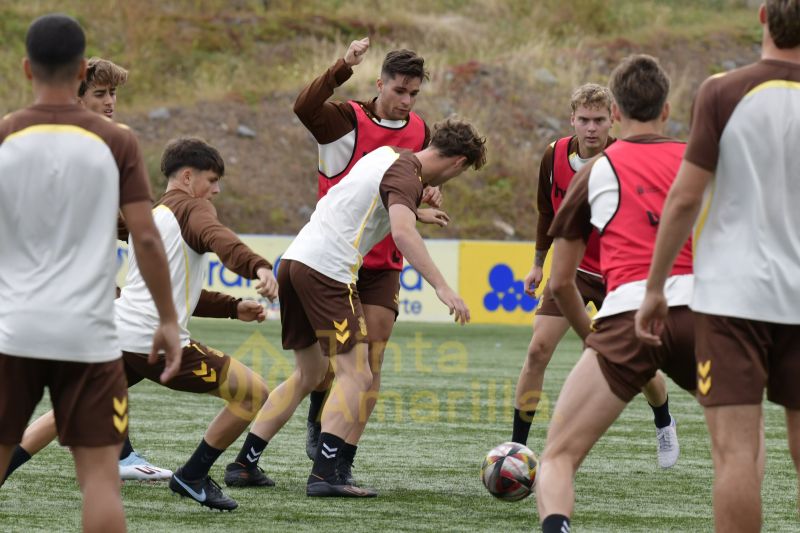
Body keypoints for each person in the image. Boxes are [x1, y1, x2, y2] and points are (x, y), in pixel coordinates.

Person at [4, 138, 281, 511]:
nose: (215, 190)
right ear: (187, 176)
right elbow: (221, 239)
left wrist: (233, 307)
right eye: (212, 180)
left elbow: (168, 288)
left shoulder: (147, 216)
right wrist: (259, 266)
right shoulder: (192, 209)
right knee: (254, 393)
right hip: (156, 344)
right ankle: (193, 476)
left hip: (117, 335)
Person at [226, 36, 441, 488]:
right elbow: (304, 106)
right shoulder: (346, 119)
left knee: (367, 365)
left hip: (381, 262)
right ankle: (320, 437)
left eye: (413, 93)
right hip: (333, 260)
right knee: (335, 370)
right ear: (379, 83)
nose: (406, 101)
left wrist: (426, 195)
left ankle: (339, 462)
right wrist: (343, 65)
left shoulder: (420, 130)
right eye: (399, 90)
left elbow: (406, 187)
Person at [233, 118, 485, 498]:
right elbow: (401, 234)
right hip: (328, 271)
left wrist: (416, 209)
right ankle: (324, 476)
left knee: (309, 373)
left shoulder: (387, 155)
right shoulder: (407, 175)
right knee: (358, 375)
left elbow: (364, 194)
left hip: (295, 261)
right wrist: (443, 287)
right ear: (457, 163)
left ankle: (244, 464)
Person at [0, 14, 181, 533]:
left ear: (26, 67)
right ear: (82, 68)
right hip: (89, 332)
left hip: (15, 328)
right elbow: (145, 237)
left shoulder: (7, 133)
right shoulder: (116, 140)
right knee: (100, 482)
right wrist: (168, 319)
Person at [635, 2, 800, 531]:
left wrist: (656, 288)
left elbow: (684, 199)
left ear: (762, 17)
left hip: (732, 299)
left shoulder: (723, 90)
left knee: (735, 456)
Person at [534, 54, 698, 533]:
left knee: (558, 458)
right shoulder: (698, 160)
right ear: (667, 110)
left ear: (617, 117)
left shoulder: (596, 170)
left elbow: (559, 282)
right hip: (705, 315)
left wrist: (592, 338)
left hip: (628, 313)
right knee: (738, 453)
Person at [513, 83, 678, 469]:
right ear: (572, 119)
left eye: (599, 120)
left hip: (621, 275)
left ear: (613, 119)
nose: (591, 128)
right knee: (537, 351)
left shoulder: (625, 159)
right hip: (572, 271)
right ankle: (517, 448)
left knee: (641, 364)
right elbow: (545, 212)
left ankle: (663, 419)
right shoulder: (553, 155)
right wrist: (539, 262)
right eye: (584, 120)